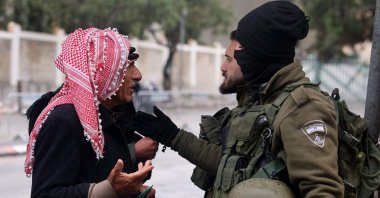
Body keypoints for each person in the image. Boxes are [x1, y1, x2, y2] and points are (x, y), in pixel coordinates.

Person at [132, 1, 344, 197]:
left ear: (263, 53)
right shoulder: (262, 99)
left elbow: (322, 189)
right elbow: (231, 166)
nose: (233, 61)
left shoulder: (303, 107)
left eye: (242, 51)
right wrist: (174, 136)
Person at [24, 27, 157, 198]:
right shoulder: (65, 119)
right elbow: (45, 194)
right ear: (103, 73)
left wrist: (135, 191)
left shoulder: (112, 114)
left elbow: (107, 173)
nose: (138, 75)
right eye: (127, 66)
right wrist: (109, 190)